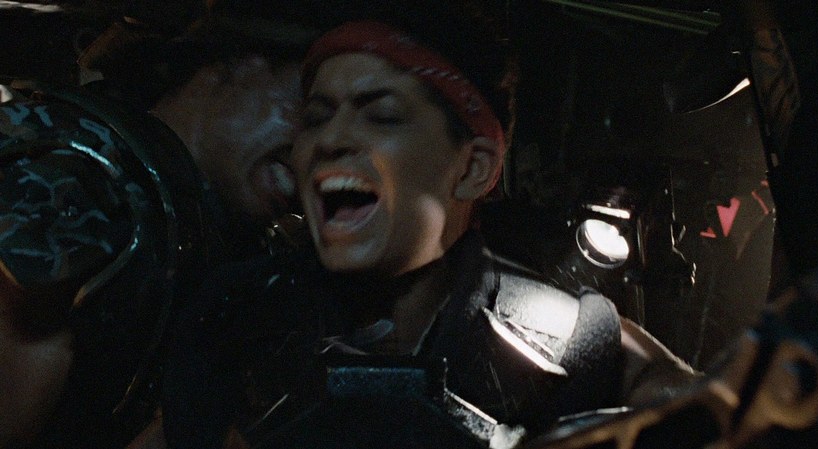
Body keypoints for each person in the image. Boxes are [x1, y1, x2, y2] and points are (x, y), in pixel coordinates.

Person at [160, 2, 698, 448]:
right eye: (317, 116)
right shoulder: (228, 316)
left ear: (473, 167)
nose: (329, 140)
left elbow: (710, 406)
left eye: (382, 115)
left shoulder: (568, 339)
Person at [0, 1, 318, 447]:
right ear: (236, 62)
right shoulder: (76, 176)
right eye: (311, 113)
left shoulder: (224, 245)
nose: (316, 154)